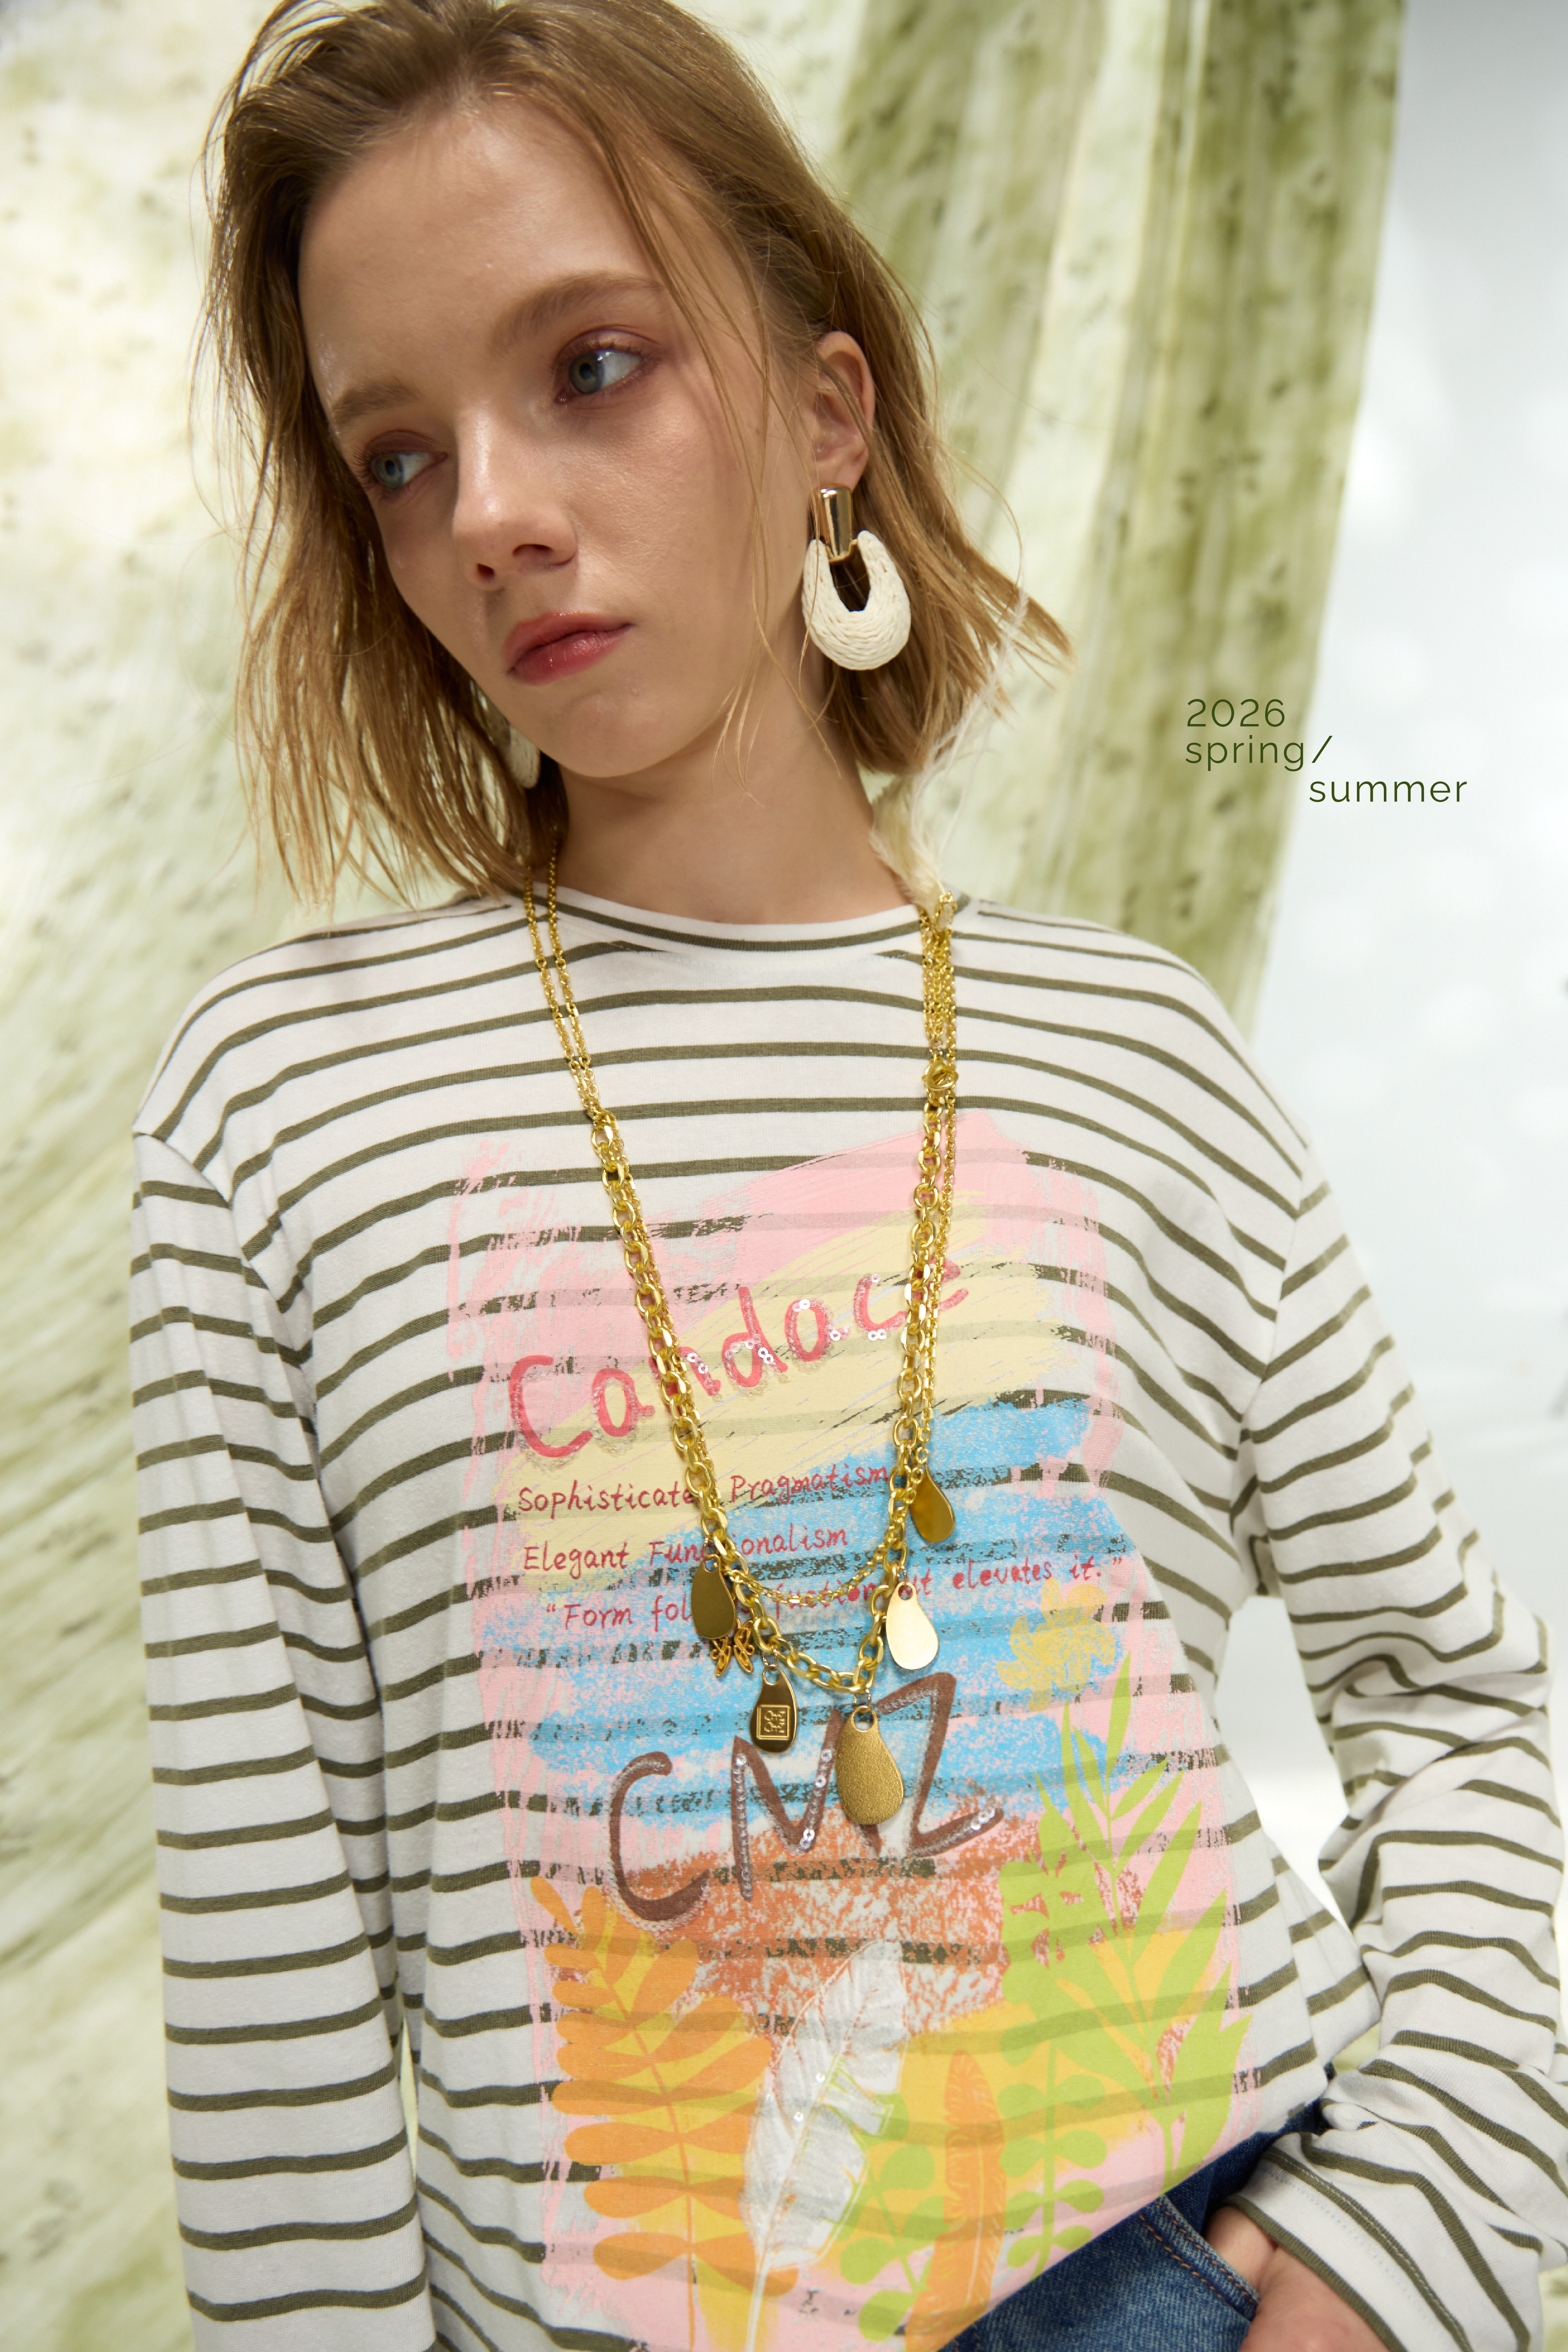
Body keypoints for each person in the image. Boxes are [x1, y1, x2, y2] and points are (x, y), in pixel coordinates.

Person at [131, 2, 1567, 2347]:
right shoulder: (279, 1110)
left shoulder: (1133, 1055)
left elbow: (1456, 1701)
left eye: (590, 365)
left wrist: (1399, 2253)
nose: (488, 509)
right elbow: (273, 1963)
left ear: (826, 417)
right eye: (397, 455)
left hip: (1187, 2272)